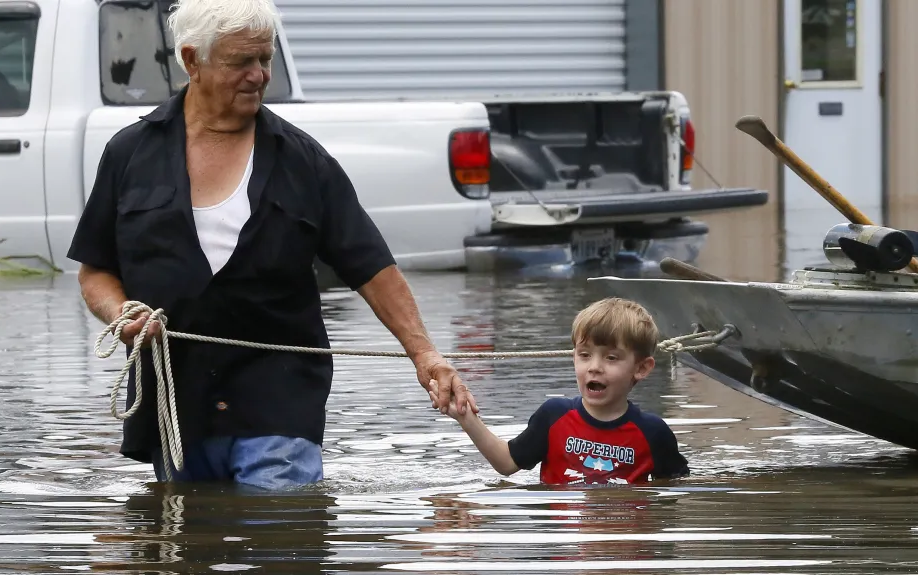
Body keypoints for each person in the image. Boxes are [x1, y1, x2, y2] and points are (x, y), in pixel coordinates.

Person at [66, 0, 475, 490]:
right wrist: (120, 316)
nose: (259, 75)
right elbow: (95, 272)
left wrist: (425, 354)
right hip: (176, 400)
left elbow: (370, 266)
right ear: (192, 60)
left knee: (283, 533)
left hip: (279, 396)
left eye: (265, 59)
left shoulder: (303, 161)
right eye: (242, 61)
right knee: (187, 549)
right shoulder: (130, 153)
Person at [429, 297, 689, 485]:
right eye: (585, 355)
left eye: (611, 358)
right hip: (563, 552)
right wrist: (466, 418)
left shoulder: (654, 433)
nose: (594, 368)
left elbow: (673, 488)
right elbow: (506, 463)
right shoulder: (554, 416)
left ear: (641, 368)